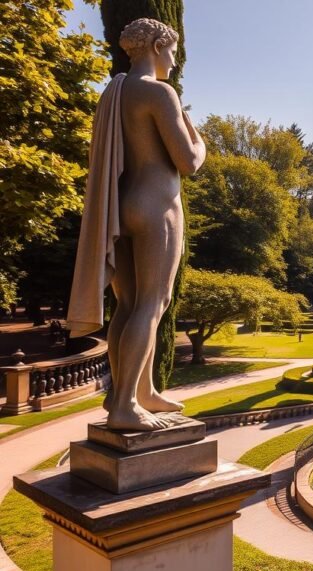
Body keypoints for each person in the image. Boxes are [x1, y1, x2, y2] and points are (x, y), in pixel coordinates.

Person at [67, 18, 205, 431]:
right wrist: (200, 139)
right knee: (153, 303)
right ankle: (126, 404)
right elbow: (188, 162)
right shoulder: (159, 92)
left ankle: (137, 392)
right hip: (156, 207)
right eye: (173, 52)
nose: (174, 62)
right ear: (158, 46)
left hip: (122, 205)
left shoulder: (116, 91)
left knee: (128, 305)